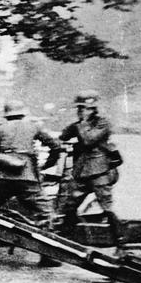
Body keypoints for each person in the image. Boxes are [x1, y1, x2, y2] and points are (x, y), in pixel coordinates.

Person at [0, 100, 62, 267]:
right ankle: (47, 256)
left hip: (0, 178)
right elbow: (55, 146)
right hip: (27, 177)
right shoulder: (33, 126)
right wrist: (47, 164)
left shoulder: (0, 129)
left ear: (6, 114)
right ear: (23, 113)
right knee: (45, 213)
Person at [57, 90, 123, 250]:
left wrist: (83, 122)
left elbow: (88, 140)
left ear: (93, 109)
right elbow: (63, 136)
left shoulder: (103, 123)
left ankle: (121, 245)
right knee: (69, 207)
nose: (81, 111)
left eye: (84, 108)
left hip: (99, 169)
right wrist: (76, 124)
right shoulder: (79, 124)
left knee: (107, 207)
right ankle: (65, 242)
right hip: (82, 171)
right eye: (79, 108)